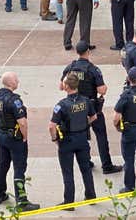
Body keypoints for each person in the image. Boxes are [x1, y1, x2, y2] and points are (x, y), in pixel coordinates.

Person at [61, 40, 123, 175]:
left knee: (81, 134)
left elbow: (61, 86)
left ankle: (86, 161)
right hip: (91, 107)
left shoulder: (70, 67)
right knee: (101, 136)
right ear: (88, 52)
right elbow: (102, 90)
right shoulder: (93, 69)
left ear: (77, 52)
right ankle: (106, 165)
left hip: (74, 108)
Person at [0, 71, 40, 211]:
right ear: (11, 83)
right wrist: (24, 137)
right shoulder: (14, 100)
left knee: (3, 165)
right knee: (19, 169)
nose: (18, 81)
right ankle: (22, 201)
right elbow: (22, 122)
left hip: (1, 134)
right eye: (16, 79)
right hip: (14, 138)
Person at [49, 72, 96, 210]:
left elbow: (51, 126)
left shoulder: (61, 105)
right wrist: (84, 124)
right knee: (86, 169)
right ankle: (91, 196)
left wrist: (54, 139)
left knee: (68, 172)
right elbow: (93, 117)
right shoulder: (85, 100)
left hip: (67, 141)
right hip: (82, 139)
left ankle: (69, 202)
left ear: (67, 86)